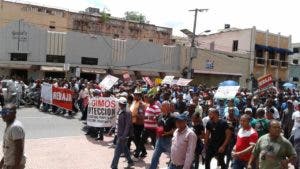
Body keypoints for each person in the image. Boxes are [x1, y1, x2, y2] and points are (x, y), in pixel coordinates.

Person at [149, 101, 176, 169]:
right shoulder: (160, 115)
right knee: (155, 157)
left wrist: (168, 133)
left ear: (168, 107)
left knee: (174, 157)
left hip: (168, 140)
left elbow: (176, 130)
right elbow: (157, 124)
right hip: (160, 140)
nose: (161, 107)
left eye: (163, 106)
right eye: (162, 106)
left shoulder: (173, 117)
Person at [0, 103, 26, 169]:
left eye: (6, 112)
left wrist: (16, 166)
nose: (3, 114)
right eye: (2, 112)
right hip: (8, 164)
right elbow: (10, 148)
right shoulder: (10, 125)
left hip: (13, 166)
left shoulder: (15, 127)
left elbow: (19, 150)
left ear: (14, 113)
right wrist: (2, 162)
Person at [111, 97, 134, 169]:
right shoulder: (120, 110)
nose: (119, 104)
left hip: (123, 135)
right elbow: (117, 121)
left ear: (122, 104)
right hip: (118, 133)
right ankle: (130, 161)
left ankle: (114, 166)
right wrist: (112, 129)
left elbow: (128, 125)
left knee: (117, 152)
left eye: (120, 103)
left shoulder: (127, 112)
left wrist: (124, 135)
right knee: (125, 148)